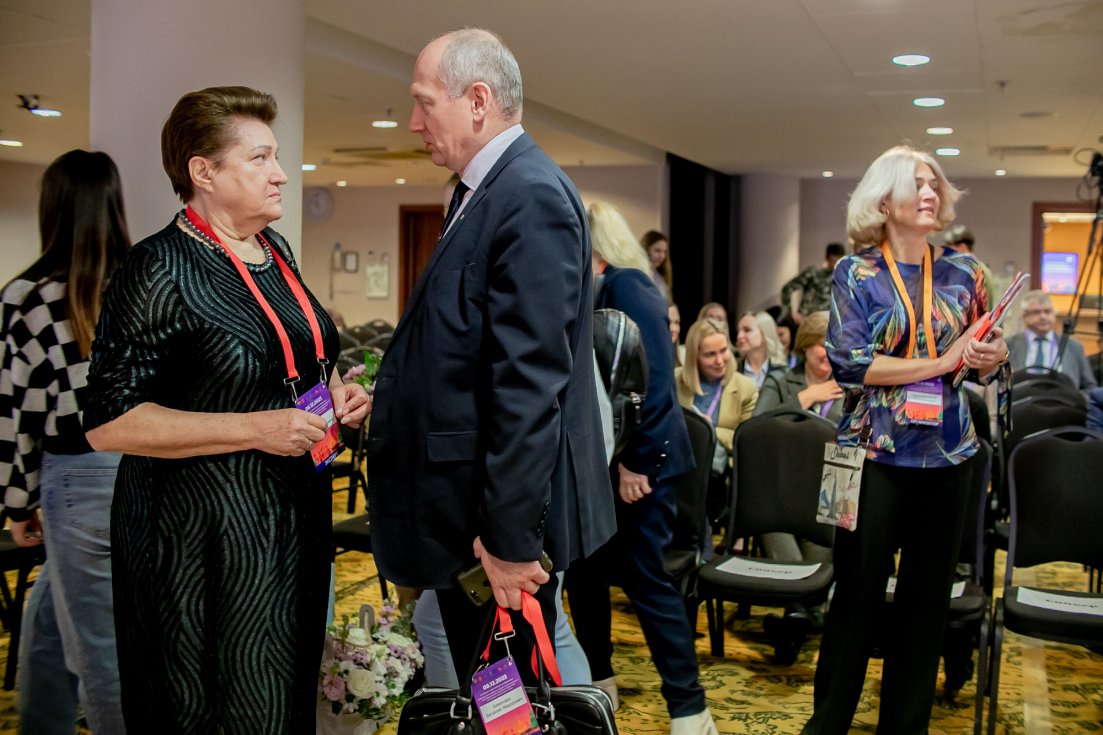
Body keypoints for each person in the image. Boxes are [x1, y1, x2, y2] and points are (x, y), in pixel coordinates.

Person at [83, 86, 369, 734]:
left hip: (290, 522)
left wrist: (332, 393)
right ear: (203, 171)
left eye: (276, 156)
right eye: (260, 157)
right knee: (216, 706)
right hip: (197, 539)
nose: (280, 173)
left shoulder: (276, 252)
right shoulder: (157, 267)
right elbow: (108, 419)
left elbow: (291, 361)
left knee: (282, 702)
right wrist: (255, 428)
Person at [365, 28, 615, 689]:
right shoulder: (483, 188)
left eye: (424, 102)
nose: (413, 121)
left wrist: (508, 540)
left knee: (510, 703)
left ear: (477, 100)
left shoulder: (527, 194)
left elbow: (528, 385)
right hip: (469, 510)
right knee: (496, 696)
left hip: (493, 527)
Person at [802, 145, 1008, 735]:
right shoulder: (856, 272)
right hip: (870, 454)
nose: (929, 192)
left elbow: (984, 357)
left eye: (934, 183)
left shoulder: (967, 273)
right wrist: (941, 361)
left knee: (926, 604)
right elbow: (851, 365)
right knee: (855, 598)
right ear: (883, 200)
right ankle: (828, 725)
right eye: (915, 183)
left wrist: (990, 356)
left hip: (949, 455)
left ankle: (905, 727)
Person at [567, 200, 716, 735]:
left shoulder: (629, 285)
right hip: (604, 466)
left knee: (646, 579)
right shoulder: (590, 288)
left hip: (642, 462)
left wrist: (636, 463)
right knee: (585, 574)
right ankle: (598, 680)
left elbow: (651, 385)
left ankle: (690, 708)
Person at [1, 150, 130, 734]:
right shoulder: (143, 284)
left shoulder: (28, 296)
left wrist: (16, 503)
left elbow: (17, 411)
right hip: (145, 468)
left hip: (76, 477)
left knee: (100, 653)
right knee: (52, 621)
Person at [674, 318, 758, 536]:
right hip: (680, 467)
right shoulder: (675, 381)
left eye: (723, 351)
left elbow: (745, 440)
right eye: (710, 354)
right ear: (694, 356)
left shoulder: (745, 389)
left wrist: (705, 430)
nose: (720, 360)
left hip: (718, 476)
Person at [754, 311, 843, 422]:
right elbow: (756, 426)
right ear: (805, 345)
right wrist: (805, 398)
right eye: (823, 346)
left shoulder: (849, 387)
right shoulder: (779, 381)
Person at [1007, 289, 1097, 389]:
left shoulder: (1073, 346)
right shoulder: (1009, 345)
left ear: (1054, 315)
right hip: (1021, 397)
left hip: (1063, 397)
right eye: (1036, 312)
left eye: (1047, 311)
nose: (1043, 317)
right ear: (1024, 316)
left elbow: (1090, 386)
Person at [781, 243, 845, 324]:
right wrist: (789, 314)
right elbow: (788, 288)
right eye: (834, 260)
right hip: (806, 321)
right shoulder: (814, 273)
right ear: (827, 258)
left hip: (825, 323)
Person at [734, 310, 787, 388]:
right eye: (738, 331)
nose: (739, 336)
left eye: (747, 330)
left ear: (765, 333)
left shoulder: (782, 372)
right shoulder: (733, 369)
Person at [641, 229, 673, 303]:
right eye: (657, 251)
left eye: (664, 252)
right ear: (645, 250)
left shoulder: (660, 277)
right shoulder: (637, 275)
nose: (662, 256)